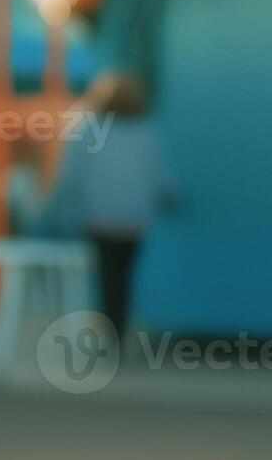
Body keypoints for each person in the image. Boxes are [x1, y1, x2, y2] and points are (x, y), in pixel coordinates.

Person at [49, 72, 176, 339]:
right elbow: (160, 178)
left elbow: (71, 177)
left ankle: (108, 335)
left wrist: (64, 214)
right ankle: (118, 331)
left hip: (99, 217)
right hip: (136, 220)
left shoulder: (87, 132)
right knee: (125, 279)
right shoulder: (147, 133)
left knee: (107, 278)